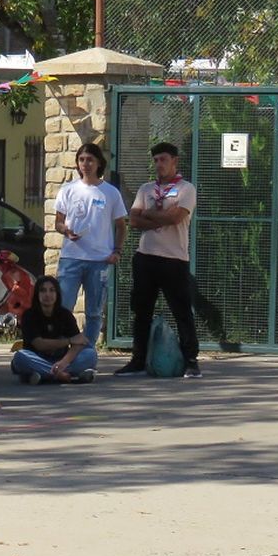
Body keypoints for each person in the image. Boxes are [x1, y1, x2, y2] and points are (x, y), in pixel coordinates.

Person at [117, 141, 202, 378]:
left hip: (174, 259)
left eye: (163, 159)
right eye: (155, 160)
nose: (159, 164)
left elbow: (176, 217)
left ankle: (191, 361)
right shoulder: (146, 189)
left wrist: (148, 214)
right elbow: (133, 220)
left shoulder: (186, 189)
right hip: (146, 258)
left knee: (181, 310)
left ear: (174, 161)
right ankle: (138, 360)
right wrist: (158, 217)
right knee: (141, 310)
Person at [54, 142, 129, 346]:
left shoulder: (110, 193)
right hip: (71, 259)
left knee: (94, 312)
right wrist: (65, 230)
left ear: (98, 164)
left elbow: (122, 226)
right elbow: (58, 222)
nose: (85, 164)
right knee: (63, 307)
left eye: (90, 160)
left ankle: (86, 353)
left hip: (99, 261)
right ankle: (59, 350)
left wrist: (117, 251)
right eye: (81, 160)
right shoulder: (68, 190)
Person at [13, 276, 98, 384]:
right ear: (37, 294)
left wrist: (64, 362)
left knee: (90, 354)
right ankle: (69, 375)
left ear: (57, 294)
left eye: (52, 290)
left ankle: (43, 375)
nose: (47, 294)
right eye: (43, 290)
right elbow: (40, 344)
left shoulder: (65, 315)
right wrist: (68, 341)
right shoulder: (29, 315)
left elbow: (79, 342)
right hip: (38, 358)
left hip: (62, 360)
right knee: (20, 357)